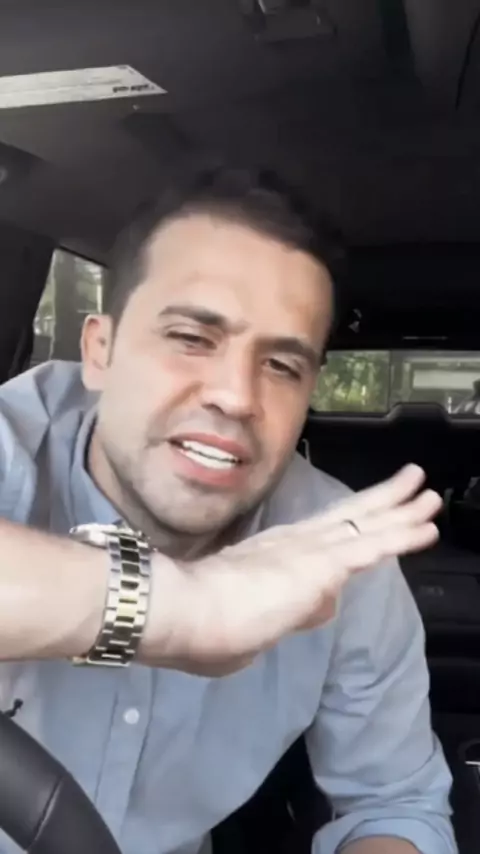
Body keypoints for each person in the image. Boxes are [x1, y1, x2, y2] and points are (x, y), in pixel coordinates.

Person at [0, 165, 456, 854]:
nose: (237, 396)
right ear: (100, 351)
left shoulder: (344, 554)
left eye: (281, 366)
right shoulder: (13, 446)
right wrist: (183, 608)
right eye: (191, 337)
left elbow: (394, 802)